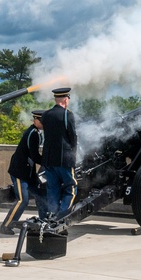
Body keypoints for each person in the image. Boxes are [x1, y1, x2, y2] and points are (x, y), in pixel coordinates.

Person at [0, 109, 48, 234]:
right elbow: (35, 156)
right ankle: (6, 225)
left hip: (28, 173)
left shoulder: (36, 132)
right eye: (41, 121)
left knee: (41, 195)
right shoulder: (33, 134)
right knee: (22, 200)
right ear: (35, 120)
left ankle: (45, 222)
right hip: (20, 172)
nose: (44, 123)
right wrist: (48, 162)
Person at [39, 87, 78, 217]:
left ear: (56, 99)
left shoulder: (45, 115)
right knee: (71, 188)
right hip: (64, 159)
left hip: (49, 159)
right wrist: (74, 154)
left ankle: (52, 214)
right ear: (66, 100)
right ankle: (62, 215)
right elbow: (72, 136)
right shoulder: (68, 115)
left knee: (52, 189)